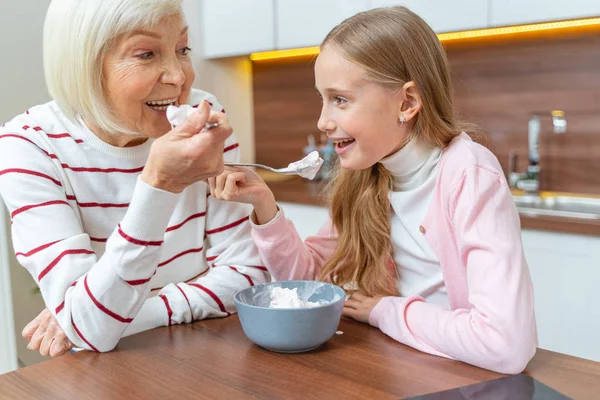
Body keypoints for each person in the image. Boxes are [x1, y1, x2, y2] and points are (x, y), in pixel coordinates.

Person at [209, 6, 537, 374]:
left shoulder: (469, 175)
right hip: (403, 369)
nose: (323, 121)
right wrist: (264, 204)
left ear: (407, 102)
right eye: (322, 98)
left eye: (341, 99)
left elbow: (504, 345)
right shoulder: (367, 174)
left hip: (467, 378)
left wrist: (385, 310)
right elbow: (306, 284)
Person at [0, 0, 268, 357]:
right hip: (108, 370)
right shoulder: (28, 145)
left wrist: (123, 314)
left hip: (204, 350)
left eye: (182, 50)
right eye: (145, 54)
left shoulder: (205, 118)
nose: (179, 76)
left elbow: (248, 274)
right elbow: (91, 329)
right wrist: (159, 185)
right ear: (85, 65)